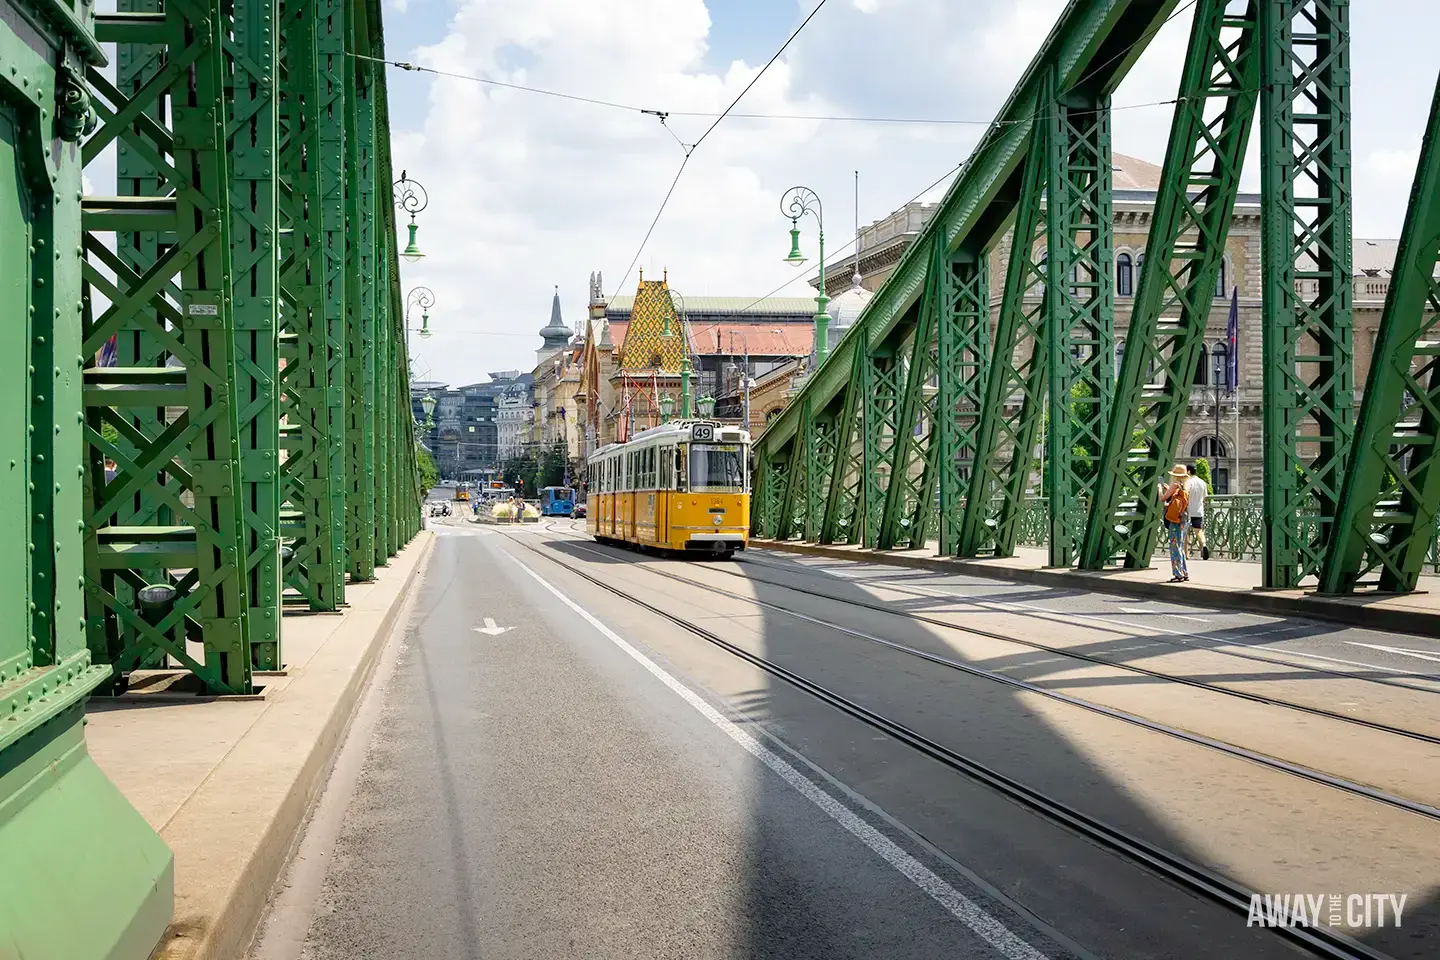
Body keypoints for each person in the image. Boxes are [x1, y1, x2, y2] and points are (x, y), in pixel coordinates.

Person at [1158, 464, 1190, 582]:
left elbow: (1162, 499)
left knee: (1174, 546)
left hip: (1174, 520)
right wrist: (1168, 489)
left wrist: (1159, 489)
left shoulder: (1175, 485)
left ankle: (1178, 574)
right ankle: (1184, 572)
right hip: (1183, 519)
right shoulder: (1185, 488)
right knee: (1180, 546)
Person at [1185, 464, 1209, 560]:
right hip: (1199, 510)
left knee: (1185, 532)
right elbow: (1204, 497)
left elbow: (1185, 494)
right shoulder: (1202, 482)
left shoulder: (1188, 482)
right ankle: (1203, 545)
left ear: (1189, 472)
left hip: (1187, 510)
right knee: (1198, 530)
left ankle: (1186, 554)